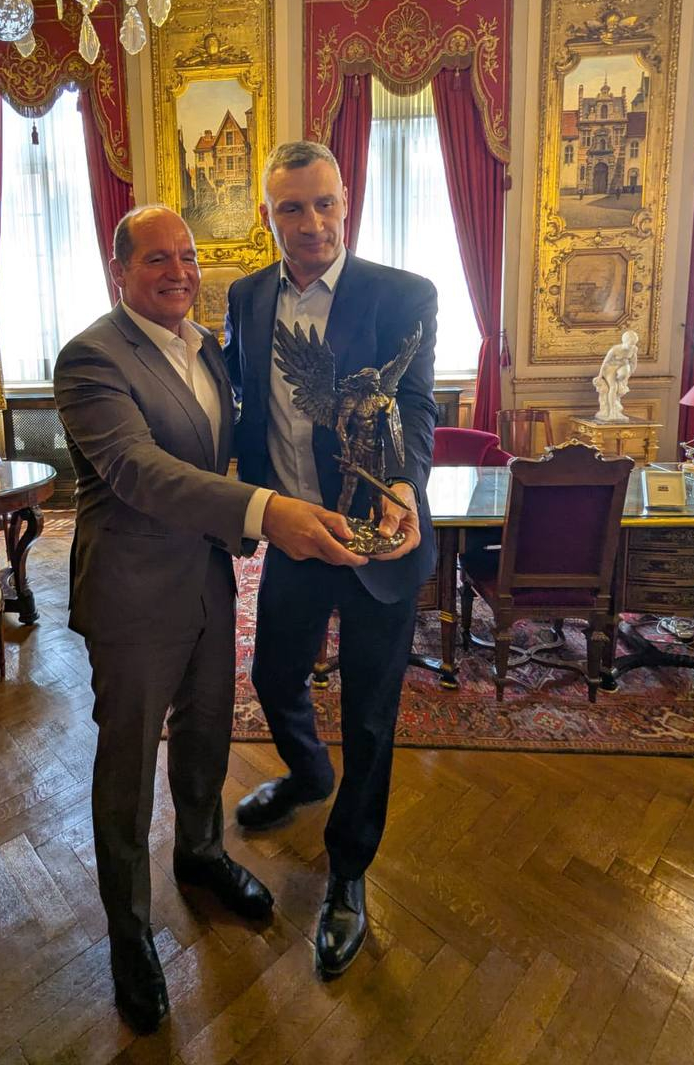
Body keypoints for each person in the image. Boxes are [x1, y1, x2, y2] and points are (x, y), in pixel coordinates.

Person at [54, 205, 366, 1035]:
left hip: (205, 578)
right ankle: (129, 930)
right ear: (119, 271)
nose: (179, 272)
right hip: (131, 591)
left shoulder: (207, 348)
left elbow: (224, 446)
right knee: (127, 763)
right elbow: (137, 469)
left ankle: (199, 853)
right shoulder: (90, 357)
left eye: (187, 257)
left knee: (205, 733)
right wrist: (266, 511)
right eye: (157, 259)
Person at [224, 140, 438, 978]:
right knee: (274, 675)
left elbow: (415, 404)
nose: (310, 222)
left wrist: (404, 486)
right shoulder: (246, 296)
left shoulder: (401, 293)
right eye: (291, 207)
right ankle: (308, 775)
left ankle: (348, 871)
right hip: (295, 530)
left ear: (345, 201)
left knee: (370, 713)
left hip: (378, 535)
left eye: (323, 203)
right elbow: (243, 396)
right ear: (268, 215)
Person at [593, 329, 639, 422]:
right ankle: (612, 411)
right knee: (613, 387)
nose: (632, 346)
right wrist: (600, 375)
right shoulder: (615, 349)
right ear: (624, 341)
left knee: (621, 381)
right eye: (630, 343)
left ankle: (617, 406)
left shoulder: (634, 349)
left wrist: (630, 372)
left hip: (622, 367)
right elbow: (605, 362)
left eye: (633, 344)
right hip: (610, 368)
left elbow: (634, 361)